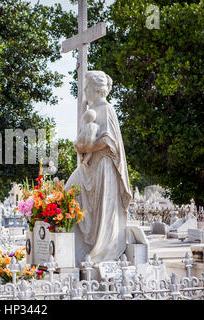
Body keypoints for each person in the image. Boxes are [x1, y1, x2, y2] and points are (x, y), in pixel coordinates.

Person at [65, 70, 132, 263]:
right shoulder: (91, 112)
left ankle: (101, 250)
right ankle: (80, 244)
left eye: (87, 87)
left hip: (103, 165)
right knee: (70, 190)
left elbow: (109, 141)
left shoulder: (106, 108)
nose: (85, 90)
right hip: (91, 164)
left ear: (95, 89)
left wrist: (86, 147)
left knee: (102, 210)